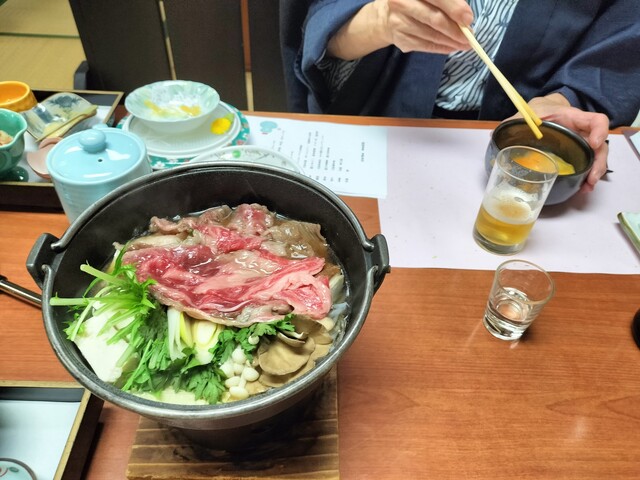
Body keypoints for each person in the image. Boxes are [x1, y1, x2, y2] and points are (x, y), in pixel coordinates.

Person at [280, 0, 640, 191]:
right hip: (380, 122)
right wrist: (382, 20)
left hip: (512, 137)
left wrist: (562, 102)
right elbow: (323, 31)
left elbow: (619, 42)